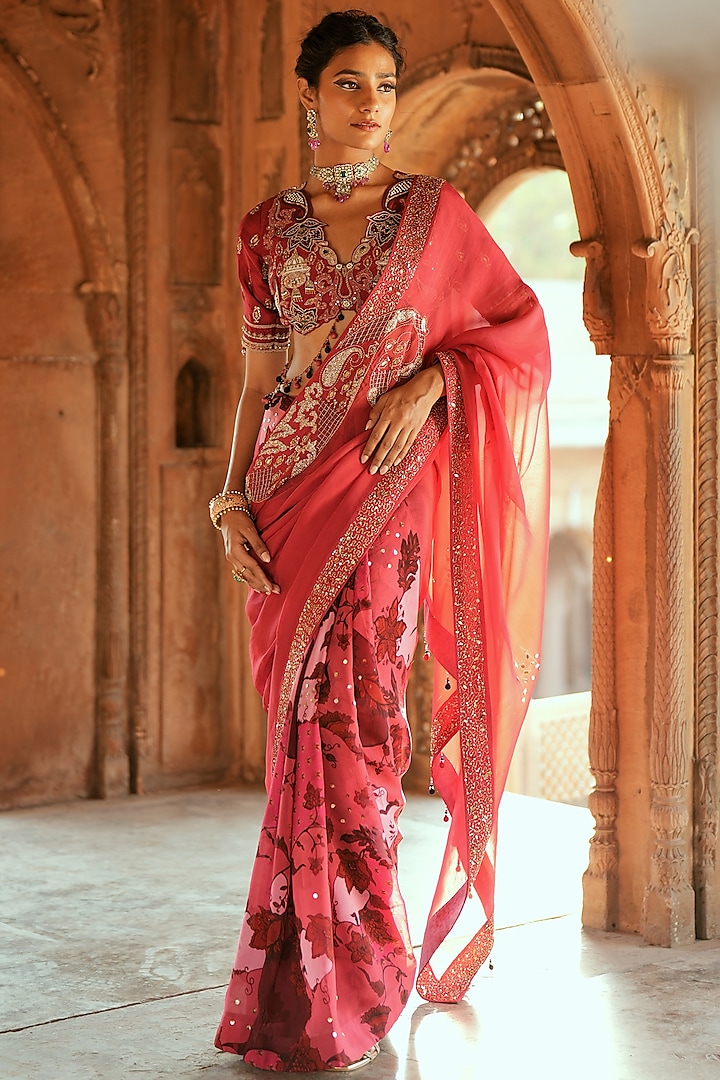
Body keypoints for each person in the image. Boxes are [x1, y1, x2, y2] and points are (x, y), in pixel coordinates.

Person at [211, 9, 550, 1072]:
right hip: (286, 501)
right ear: (311, 96)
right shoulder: (269, 230)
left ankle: (361, 971)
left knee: (362, 731)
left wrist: (433, 378)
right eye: (350, 83)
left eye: (386, 86)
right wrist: (229, 499)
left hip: (389, 496)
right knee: (301, 737)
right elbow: (262, 384)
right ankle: (295, 979)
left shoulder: (436, 216)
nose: (371, 103)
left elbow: (514, 336)